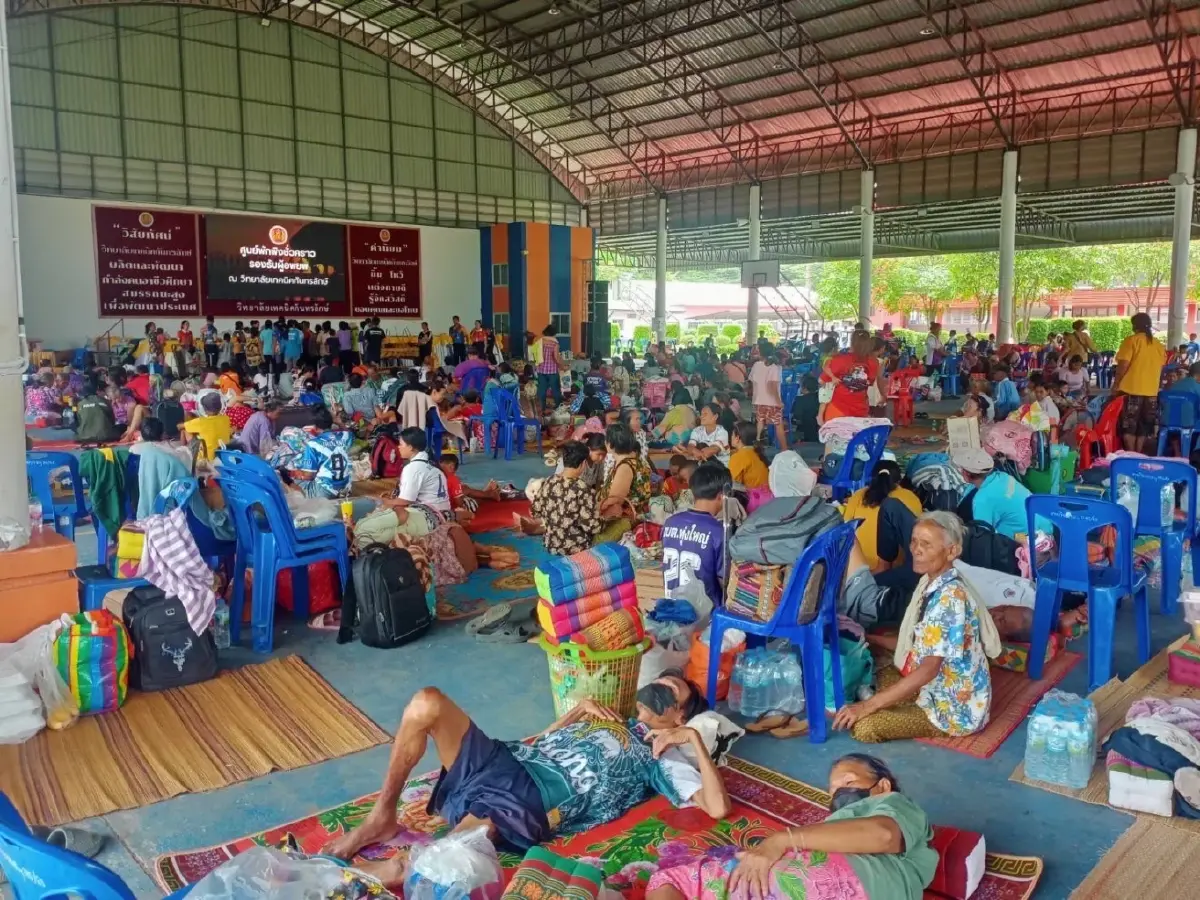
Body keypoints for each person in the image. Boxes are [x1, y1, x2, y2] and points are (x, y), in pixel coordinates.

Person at [321, 675, 727, 888]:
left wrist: (692, 740)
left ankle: (390, 871)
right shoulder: (607, 716)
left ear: (678, 715)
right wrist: (575, 714)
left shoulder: (663, 756)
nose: (658, 688)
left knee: (483, 823)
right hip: (508, 759)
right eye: (661, 682)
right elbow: (544, 741)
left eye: (670, 691)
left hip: (536, 797)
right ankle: (381, 816)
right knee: (427, 702)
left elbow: (718, 807)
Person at [646, 754, 936, 900]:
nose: (837, 795)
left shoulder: (894, 804)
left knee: (673, 879)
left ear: (882, 785)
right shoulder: (828, 830)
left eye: (847, 782)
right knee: (669, 880)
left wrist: (781, 840)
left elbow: (882, 835)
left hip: (850, 885)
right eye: (833, 791)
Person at [834, 511, 996, 743]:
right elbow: (919, 643)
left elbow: (929, 668)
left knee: (864, 727)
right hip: (933, 686)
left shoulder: (950, 599)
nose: (916, 550)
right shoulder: (932, 581)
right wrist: (867, 638)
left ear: (952, 551)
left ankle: (889, 708)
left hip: (953, 711)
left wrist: (867, 707)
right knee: (877, 664)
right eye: (914, 541)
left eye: (926, 545)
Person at [662, 462, 728, 605]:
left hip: (672, 610)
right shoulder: (718, 531)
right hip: (705, 618)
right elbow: (725, 581)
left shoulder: (670, 523)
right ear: (722, 496)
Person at [841, 460, 923, 572]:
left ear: (873, 478)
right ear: (899, 480)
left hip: (859, 566)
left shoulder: (858, 495)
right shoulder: (909, 497)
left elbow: (846, 526)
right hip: (896, 567)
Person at [528, 440, 601, 555]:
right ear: (582, 464)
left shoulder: (548, 481)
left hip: (551, 544)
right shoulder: (583, 489)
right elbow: (592, 527)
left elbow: (535, 512)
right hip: (576, 547)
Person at [953, 447, 1035, 539]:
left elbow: (982, 535)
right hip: (1043, 525)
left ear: (966, 473)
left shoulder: (983, 499)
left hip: (1029, 538)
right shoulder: (1003, 476)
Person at [1114, 311, 1168, 452]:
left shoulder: (1131, 340)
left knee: (1128, 427)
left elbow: (1123, 366)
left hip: (1131, 390)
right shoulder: (1158, 345)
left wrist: (1116, 384)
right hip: (1151, 392)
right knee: (1143, 427)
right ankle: (1138, 453)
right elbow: (1161, 367)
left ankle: (1131, 454)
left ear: (1134, 326)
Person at [598, 423, 652, 541]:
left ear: (610, 444)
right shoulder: (635, 461)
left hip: (625, 518)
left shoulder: (625, 467)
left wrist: (593, 509)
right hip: (632, 515)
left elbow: (616, 499)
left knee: (594, 542)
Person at [390, 427, 451, 515]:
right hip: (444, 512)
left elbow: (405, 501)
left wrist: (384, 502)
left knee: (385, 512)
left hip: (430, 515)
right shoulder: (430, 462)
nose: (398, 447)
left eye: (401, 444)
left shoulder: (413, 468)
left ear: (410, 447)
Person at [822, 330, 880, 421]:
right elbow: (870, 382)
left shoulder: (839, 360)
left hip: (838, 410)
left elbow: (822, 380)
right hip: (861, 410)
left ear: (851, 342)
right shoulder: (874, 362)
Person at [749, 348, 787, 450]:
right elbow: (772, 386)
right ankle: (784, 449)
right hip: (772, 402)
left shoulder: (756, 365)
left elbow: (753, 382)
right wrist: (779, 402)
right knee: (778, 425)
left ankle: (757, 444)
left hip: (758, 400)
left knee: (760, 422)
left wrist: (755, 397)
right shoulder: (776, 367)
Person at [180, 391, 232, 460]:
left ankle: (183, 451)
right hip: (223, 455)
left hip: (206, 458)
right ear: (220, 407)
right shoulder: (226, 419)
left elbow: (180, 426)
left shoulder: (201, 421)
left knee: (185, 429)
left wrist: (185, 422)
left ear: (204, 408)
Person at [728, 421, 769, 489]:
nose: (731, 437)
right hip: (767, 496)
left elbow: (731, 483)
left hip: (753, 497)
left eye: (732, 435)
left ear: (737, 438)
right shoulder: (756, 451)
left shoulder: (738, 457)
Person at [534, 323, 561, 413]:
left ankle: (542, 409)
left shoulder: (539, 341)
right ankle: (558, 407)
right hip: (552, 370)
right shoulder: (554, 343)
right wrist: (562, 365)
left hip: (541, 369)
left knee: (542, 390)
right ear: (554, 333)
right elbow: (556, 358)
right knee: (556, 390)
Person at [790, 374, 820, 443]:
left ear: (805, 388)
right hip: (817, 431)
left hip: (804, 432)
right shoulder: (820, 399)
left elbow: (796, 417)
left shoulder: (799, 400)